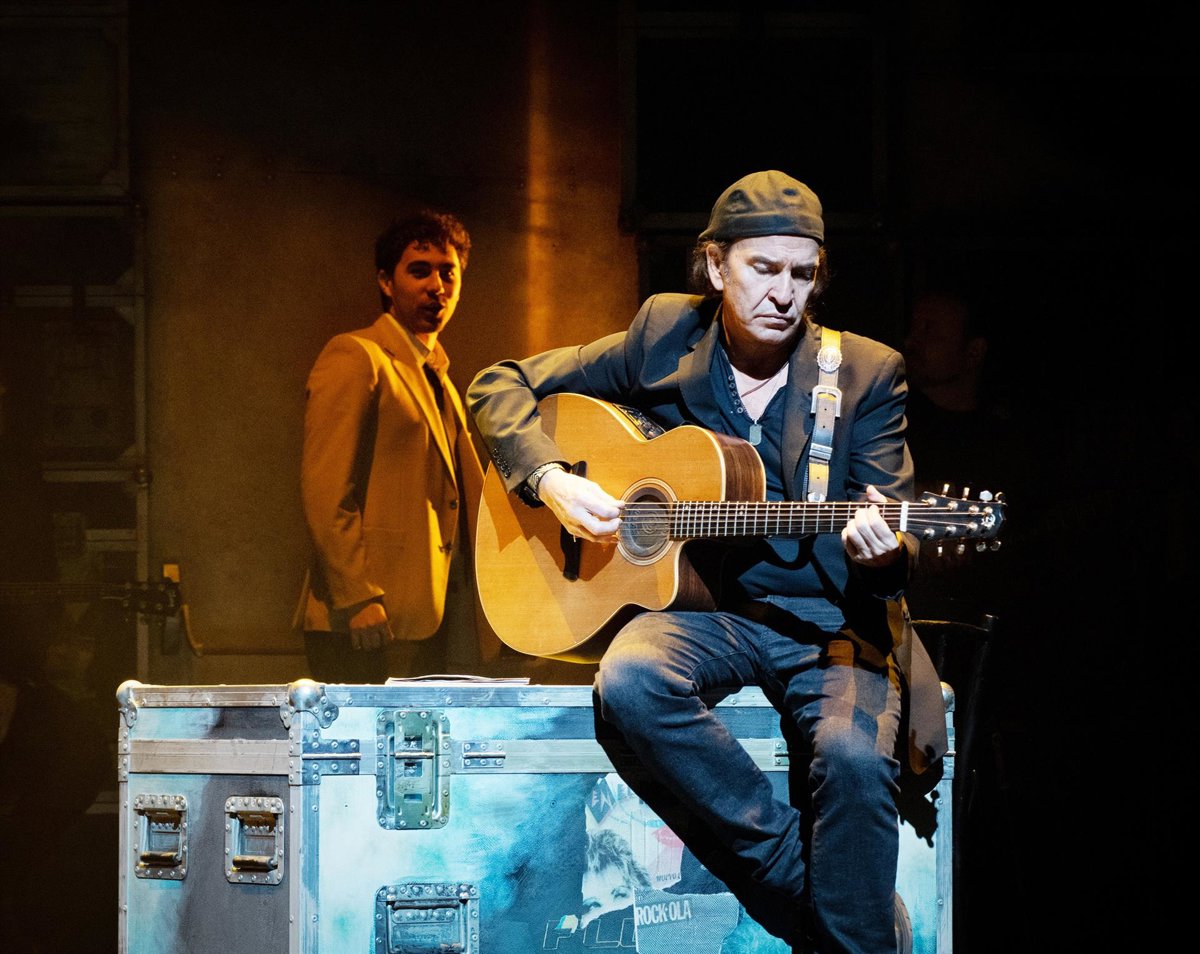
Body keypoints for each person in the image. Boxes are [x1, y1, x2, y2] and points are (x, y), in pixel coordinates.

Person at [467, 170, 947, 953]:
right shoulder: (664, 334)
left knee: (854, 763)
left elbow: (897, 536)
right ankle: (805, 887)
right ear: (717, 265)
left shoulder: (864, 372)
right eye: (764, 269)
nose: (784, 293)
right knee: (629, 681)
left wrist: (886, 553)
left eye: (803, 275)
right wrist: (551, 481)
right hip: (703, 612)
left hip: (829, 621)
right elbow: (501, 384)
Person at [294, 208, 498, 683]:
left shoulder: (436, 372)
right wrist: (358, 595)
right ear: (386, 282)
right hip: (366, 616)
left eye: (448, 273)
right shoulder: (357, 354)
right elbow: (325, 488)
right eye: (419, 271)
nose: (436, 286)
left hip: (425, 615)